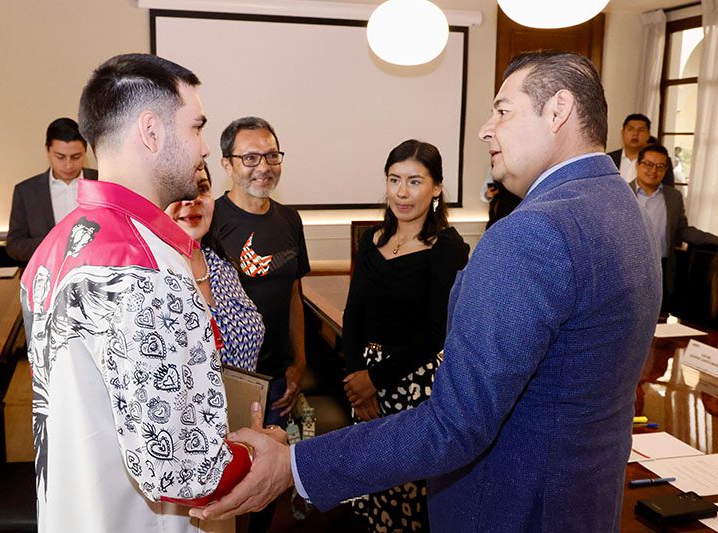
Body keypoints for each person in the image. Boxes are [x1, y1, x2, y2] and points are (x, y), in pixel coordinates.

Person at [191, 51, 662, 532]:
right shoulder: (621, 207)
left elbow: (455, 423)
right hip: (582, 503)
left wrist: (295, 464)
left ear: (558, 110)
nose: (486, 130)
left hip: (511, 509)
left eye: (502, 111)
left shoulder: (533, 232)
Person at [20, 53, 254, 533]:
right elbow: (183, 471)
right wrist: (257, 450)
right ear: (151, 130)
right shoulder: (142, 266)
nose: (204, 148)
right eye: (196, 127)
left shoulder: (55, 246)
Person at [342, 139, 469, 530]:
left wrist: (373, 380)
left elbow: (437, 333)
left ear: (437, 187)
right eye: (394, 179)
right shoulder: (372, 239)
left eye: (415, 181)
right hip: (363, 381)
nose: (402, 192)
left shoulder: (447, 247)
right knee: (371, 483)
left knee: (407, 493)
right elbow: (353, 313)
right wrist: (355, 380)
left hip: (415, 382)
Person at [210, 116, 310, 424]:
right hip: (230, 379)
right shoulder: (210, 223)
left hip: (278, 379)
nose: (264, 167)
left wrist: (299, 362)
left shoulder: (290, 220)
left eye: (271, 156)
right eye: (250, 158)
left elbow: (293, 294)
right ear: (227, 165)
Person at [165, 164, 265, 371]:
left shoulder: (222, 267)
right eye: (178, 192)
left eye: (201, 189)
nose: (192, 200)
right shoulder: (151, 279)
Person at [630, 144, 718, 312]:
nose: (653, 171)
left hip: (663, 269)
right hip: (629, 269)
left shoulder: (674, 197)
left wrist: (715, 240)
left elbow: (682, 230)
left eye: (660, 166)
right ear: (638, 165)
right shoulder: (622, 193)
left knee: (661, 318)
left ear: (666, 170)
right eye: (648, 164)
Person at [6, 117, 97, 263]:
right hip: (46, 272)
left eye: (76, 157)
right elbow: (14, 245)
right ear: (47, 150)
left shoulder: (103, 183)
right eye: (60, 157)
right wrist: (55, 245)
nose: (68, 165)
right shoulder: (26, 192)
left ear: (85, 151)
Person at [606, 113, 651, 183]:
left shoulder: (657, 163)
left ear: (648, 135)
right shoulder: (608, 159)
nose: (635, 133)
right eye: (630, 129)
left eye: (641, 130)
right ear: (622, 133)